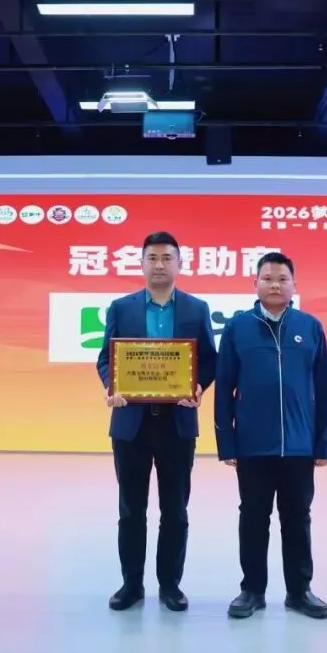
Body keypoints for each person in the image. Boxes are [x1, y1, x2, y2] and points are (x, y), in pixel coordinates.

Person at [96, 231, 217, 612]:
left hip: (177, 424)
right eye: (152, 258)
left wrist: (198, 385)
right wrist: (112, 386)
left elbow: (209, 360)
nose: (159, 265)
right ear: (141, 263)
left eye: (167, 258)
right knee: (131, 510)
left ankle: (170, 586)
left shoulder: (197, 309)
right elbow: (106, 359)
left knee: (175, 511)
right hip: (130, 424)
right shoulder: (121, 308)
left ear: (180, 264)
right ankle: (131, 585)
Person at [213, 251, 327, 620]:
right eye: (267, 278)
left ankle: (300, 591)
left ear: (294, 285)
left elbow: (324, 388)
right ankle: (252, 590)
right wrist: (226, 442)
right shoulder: (238, 328)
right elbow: (224, 389)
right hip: (252, 445)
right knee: (253, 517)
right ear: (255, 284)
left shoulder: (310, 327)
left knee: (297, 518)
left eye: (282, 279)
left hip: (299, 446)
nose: (275, 285)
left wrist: (323, 442)